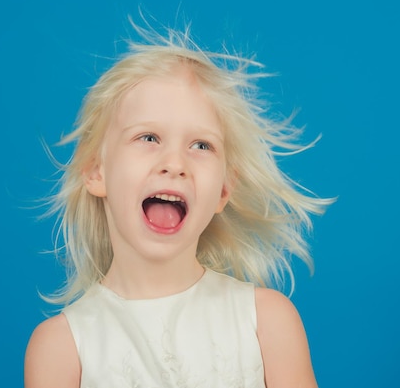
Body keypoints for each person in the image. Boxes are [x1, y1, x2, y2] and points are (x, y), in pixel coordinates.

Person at [24, 22, 334, 388]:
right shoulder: (61, 347)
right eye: (149, 137)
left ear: (222, 190)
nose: (175, 163)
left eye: (201, 145)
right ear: (96, 171)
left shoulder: (267, 321)